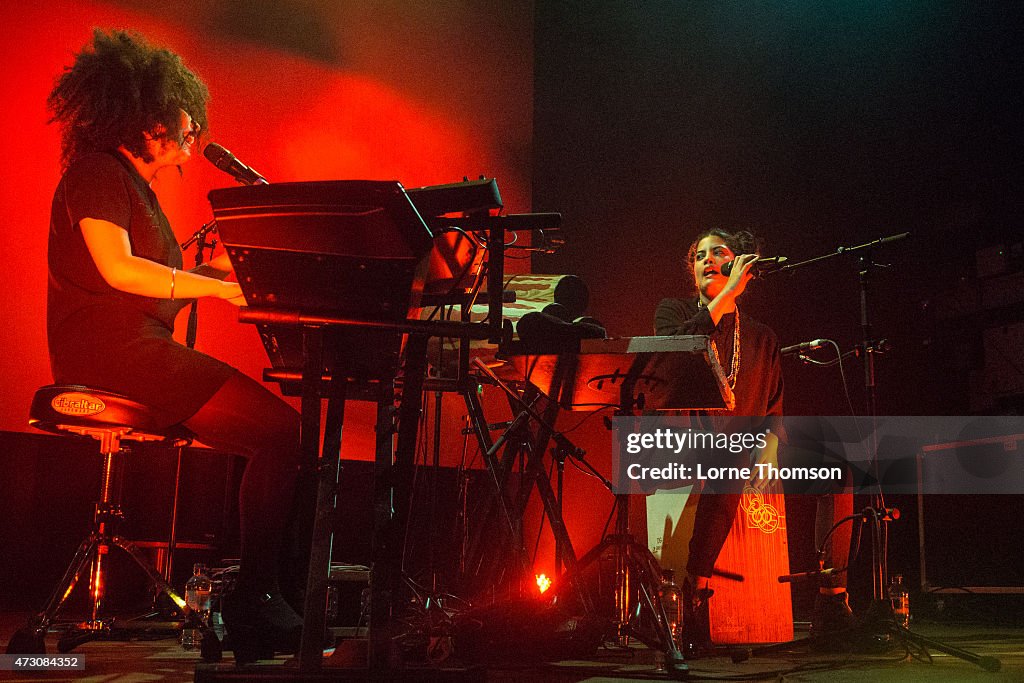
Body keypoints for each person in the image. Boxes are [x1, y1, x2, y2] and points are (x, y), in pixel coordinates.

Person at [46, 29, 304, 661]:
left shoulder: (138, 189)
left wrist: (245, 277)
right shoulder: (98, 174)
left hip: (134, 346)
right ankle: (255, 598)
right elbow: (121, 271)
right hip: (113, 351)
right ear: (149, 117)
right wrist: (218, 292)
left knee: (279, 435)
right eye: (186, 116)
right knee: (280, 434)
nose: (196, 131)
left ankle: (260, 595)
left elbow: (168, 273)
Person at [654, 228, 853, 652]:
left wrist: (770, 447)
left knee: (838, 472)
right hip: (688, 438)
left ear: (741, 264)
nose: (708, 259)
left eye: (718, 253)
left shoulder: (761, 336)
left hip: (745, 444)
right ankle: (696, 598)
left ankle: (833, 599)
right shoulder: (672, 312)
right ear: (692, 273)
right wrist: (724, 296)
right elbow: (672, 352)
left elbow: (772, 405)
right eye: (700, 256)